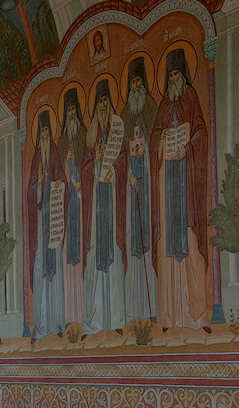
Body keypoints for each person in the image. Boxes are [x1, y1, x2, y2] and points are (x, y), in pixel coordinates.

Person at [149, 49, 210, 332]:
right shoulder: (164, 105)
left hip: (185, 182)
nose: (174, 78)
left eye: (177, 73)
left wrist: (185, 149)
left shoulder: (191, 98)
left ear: (184, 75)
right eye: (170, 74)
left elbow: (201, 133)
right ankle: (170, 318)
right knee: (168, 252)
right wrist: (161, 142)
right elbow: (154, 139)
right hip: (166, 182)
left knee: (189, 247)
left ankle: (196, 316)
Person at [82, 79, 127, 335]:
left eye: (105, 101)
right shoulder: (91, 136)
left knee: (113, 256)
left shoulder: (117, 132)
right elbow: (85, 167)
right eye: (99, 102)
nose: (102, 106)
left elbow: (123, 159)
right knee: (97, 256)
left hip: (111, 201)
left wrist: (116, 172)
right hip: (96, 206)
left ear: (109, 104)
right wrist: (96, 161)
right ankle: (96, 320)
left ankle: (117, 320)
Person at [122, 58, 158, 327]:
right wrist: (129, 175)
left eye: (138, 82)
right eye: (132, 83)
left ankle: (152, 306)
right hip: (131, 187)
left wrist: (146, 153)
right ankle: (134, 308)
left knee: (149, 245)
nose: (136, 86)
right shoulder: (123, 117)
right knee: (134, 249)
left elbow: (159, 141)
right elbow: (119, 155)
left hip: (149, 189)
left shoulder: (152, 110)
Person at [25, 110, 67, 338]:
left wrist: (55, 183)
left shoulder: (55, 153)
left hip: (54, 225)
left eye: (46, 131)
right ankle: (40, 328)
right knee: (40, 271)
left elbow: (63, 180)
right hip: (41, 227)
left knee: (55, 273)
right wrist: (39, 183)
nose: (44, 135)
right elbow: (30, 194)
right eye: (41, 131)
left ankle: (58, 325)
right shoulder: (36, 159)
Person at [58, 89, 86, 327]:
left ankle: (86, 313)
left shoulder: (85, 137)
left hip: (84, 209)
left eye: (73, 110)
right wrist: (66, 169)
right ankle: (70, 315)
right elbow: (54, 184)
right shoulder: (60, 147)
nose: (71, 114)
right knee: (68, 260)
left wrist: (81, 181)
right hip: (66, 216)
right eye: (67, 111)